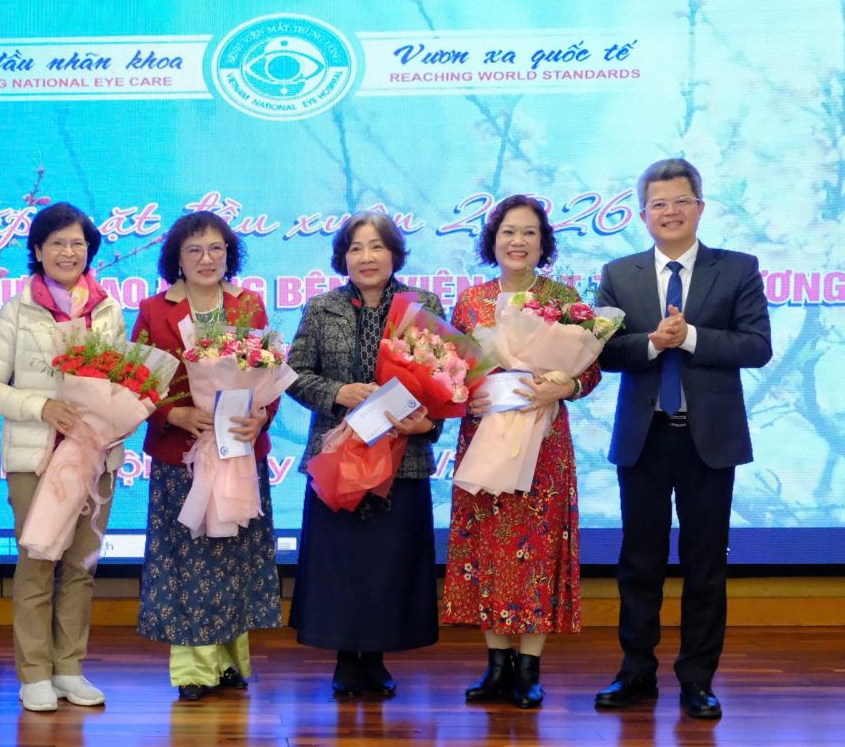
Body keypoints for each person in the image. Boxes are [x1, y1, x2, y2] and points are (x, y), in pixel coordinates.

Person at [593, 158, 772, 720]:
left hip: (708, 440)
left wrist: (690, 336)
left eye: (681, 201)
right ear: (643, 214)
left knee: (705, 564)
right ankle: (635, 672)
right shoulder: (618, 273)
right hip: (643, 439)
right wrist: (652, 342)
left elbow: (756, 346)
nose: (670, 212)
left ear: (700, 207)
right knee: (638, 562)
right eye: (658, 204)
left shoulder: (737, 269)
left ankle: (697, 679)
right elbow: (601, 351)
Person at [442, 195, 601, 709]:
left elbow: (591, 371)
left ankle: (529, 668)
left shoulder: (563, 299)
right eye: (508, 231)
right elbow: (449, 370)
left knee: (538, 548)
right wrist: (462, 393)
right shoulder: (471, 301)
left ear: (543, 242)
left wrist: (568, 385)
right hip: (484, 437)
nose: (517, 241)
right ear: (492, 240)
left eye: (529, 232)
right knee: (487, 544)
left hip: (543, 442)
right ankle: (496, 666)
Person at [0, 202, 126, 712]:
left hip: (95, 457)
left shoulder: (108, 309)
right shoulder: (17, 311)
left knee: (81, 566)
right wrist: (42, 407)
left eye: (77, 243)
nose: (68, 252)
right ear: (37, 251)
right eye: (57, 243)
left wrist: (119, 413)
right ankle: (35, 672)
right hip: (35, 459)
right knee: (38, 563)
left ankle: (69, 669)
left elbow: (125, 380)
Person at [285, 212, 441, 698]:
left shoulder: (422, 305)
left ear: (394, 253)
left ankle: (375, 659)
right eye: (356, 248)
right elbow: (293, 374)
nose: (366, 257)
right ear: (343, 257)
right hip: (337, 456)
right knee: (342, 561)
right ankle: (344, 661)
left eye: (376, 246)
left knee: (386, 562)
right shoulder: (321, 308)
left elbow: (446, 377)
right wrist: (339, 393)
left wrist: (427, 423)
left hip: (402, 456)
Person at [132, 211, 282, 702]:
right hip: (182, 456)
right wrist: (172, 415)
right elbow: (136, 382)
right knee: (189, 560)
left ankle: (229, 662)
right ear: (177, 258)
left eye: (216, 248)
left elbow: (270, 375)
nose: (206, 258)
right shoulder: (154, 310)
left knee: (233, 557)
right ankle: (193, 670)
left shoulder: (249, 304)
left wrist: (261, 416)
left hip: (239, 453)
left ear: (229, 254)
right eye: (194, 249)